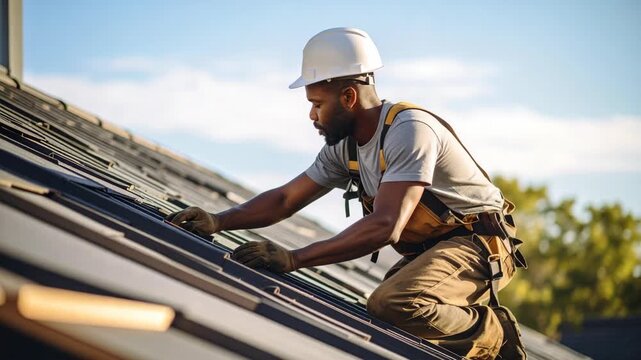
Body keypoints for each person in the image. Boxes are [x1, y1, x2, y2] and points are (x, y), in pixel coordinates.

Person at [166, 27, 526, 359]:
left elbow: (386, 226)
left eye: (317, 103)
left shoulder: (409, 131)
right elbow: (286, 199)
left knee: (394, 303)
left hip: (480, 243)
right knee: (389, 325)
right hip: (433, 249)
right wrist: (218, 221)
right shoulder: (346, 148)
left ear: (349, 96)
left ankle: (495, 334)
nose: (312, 115)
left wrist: (294, 259)